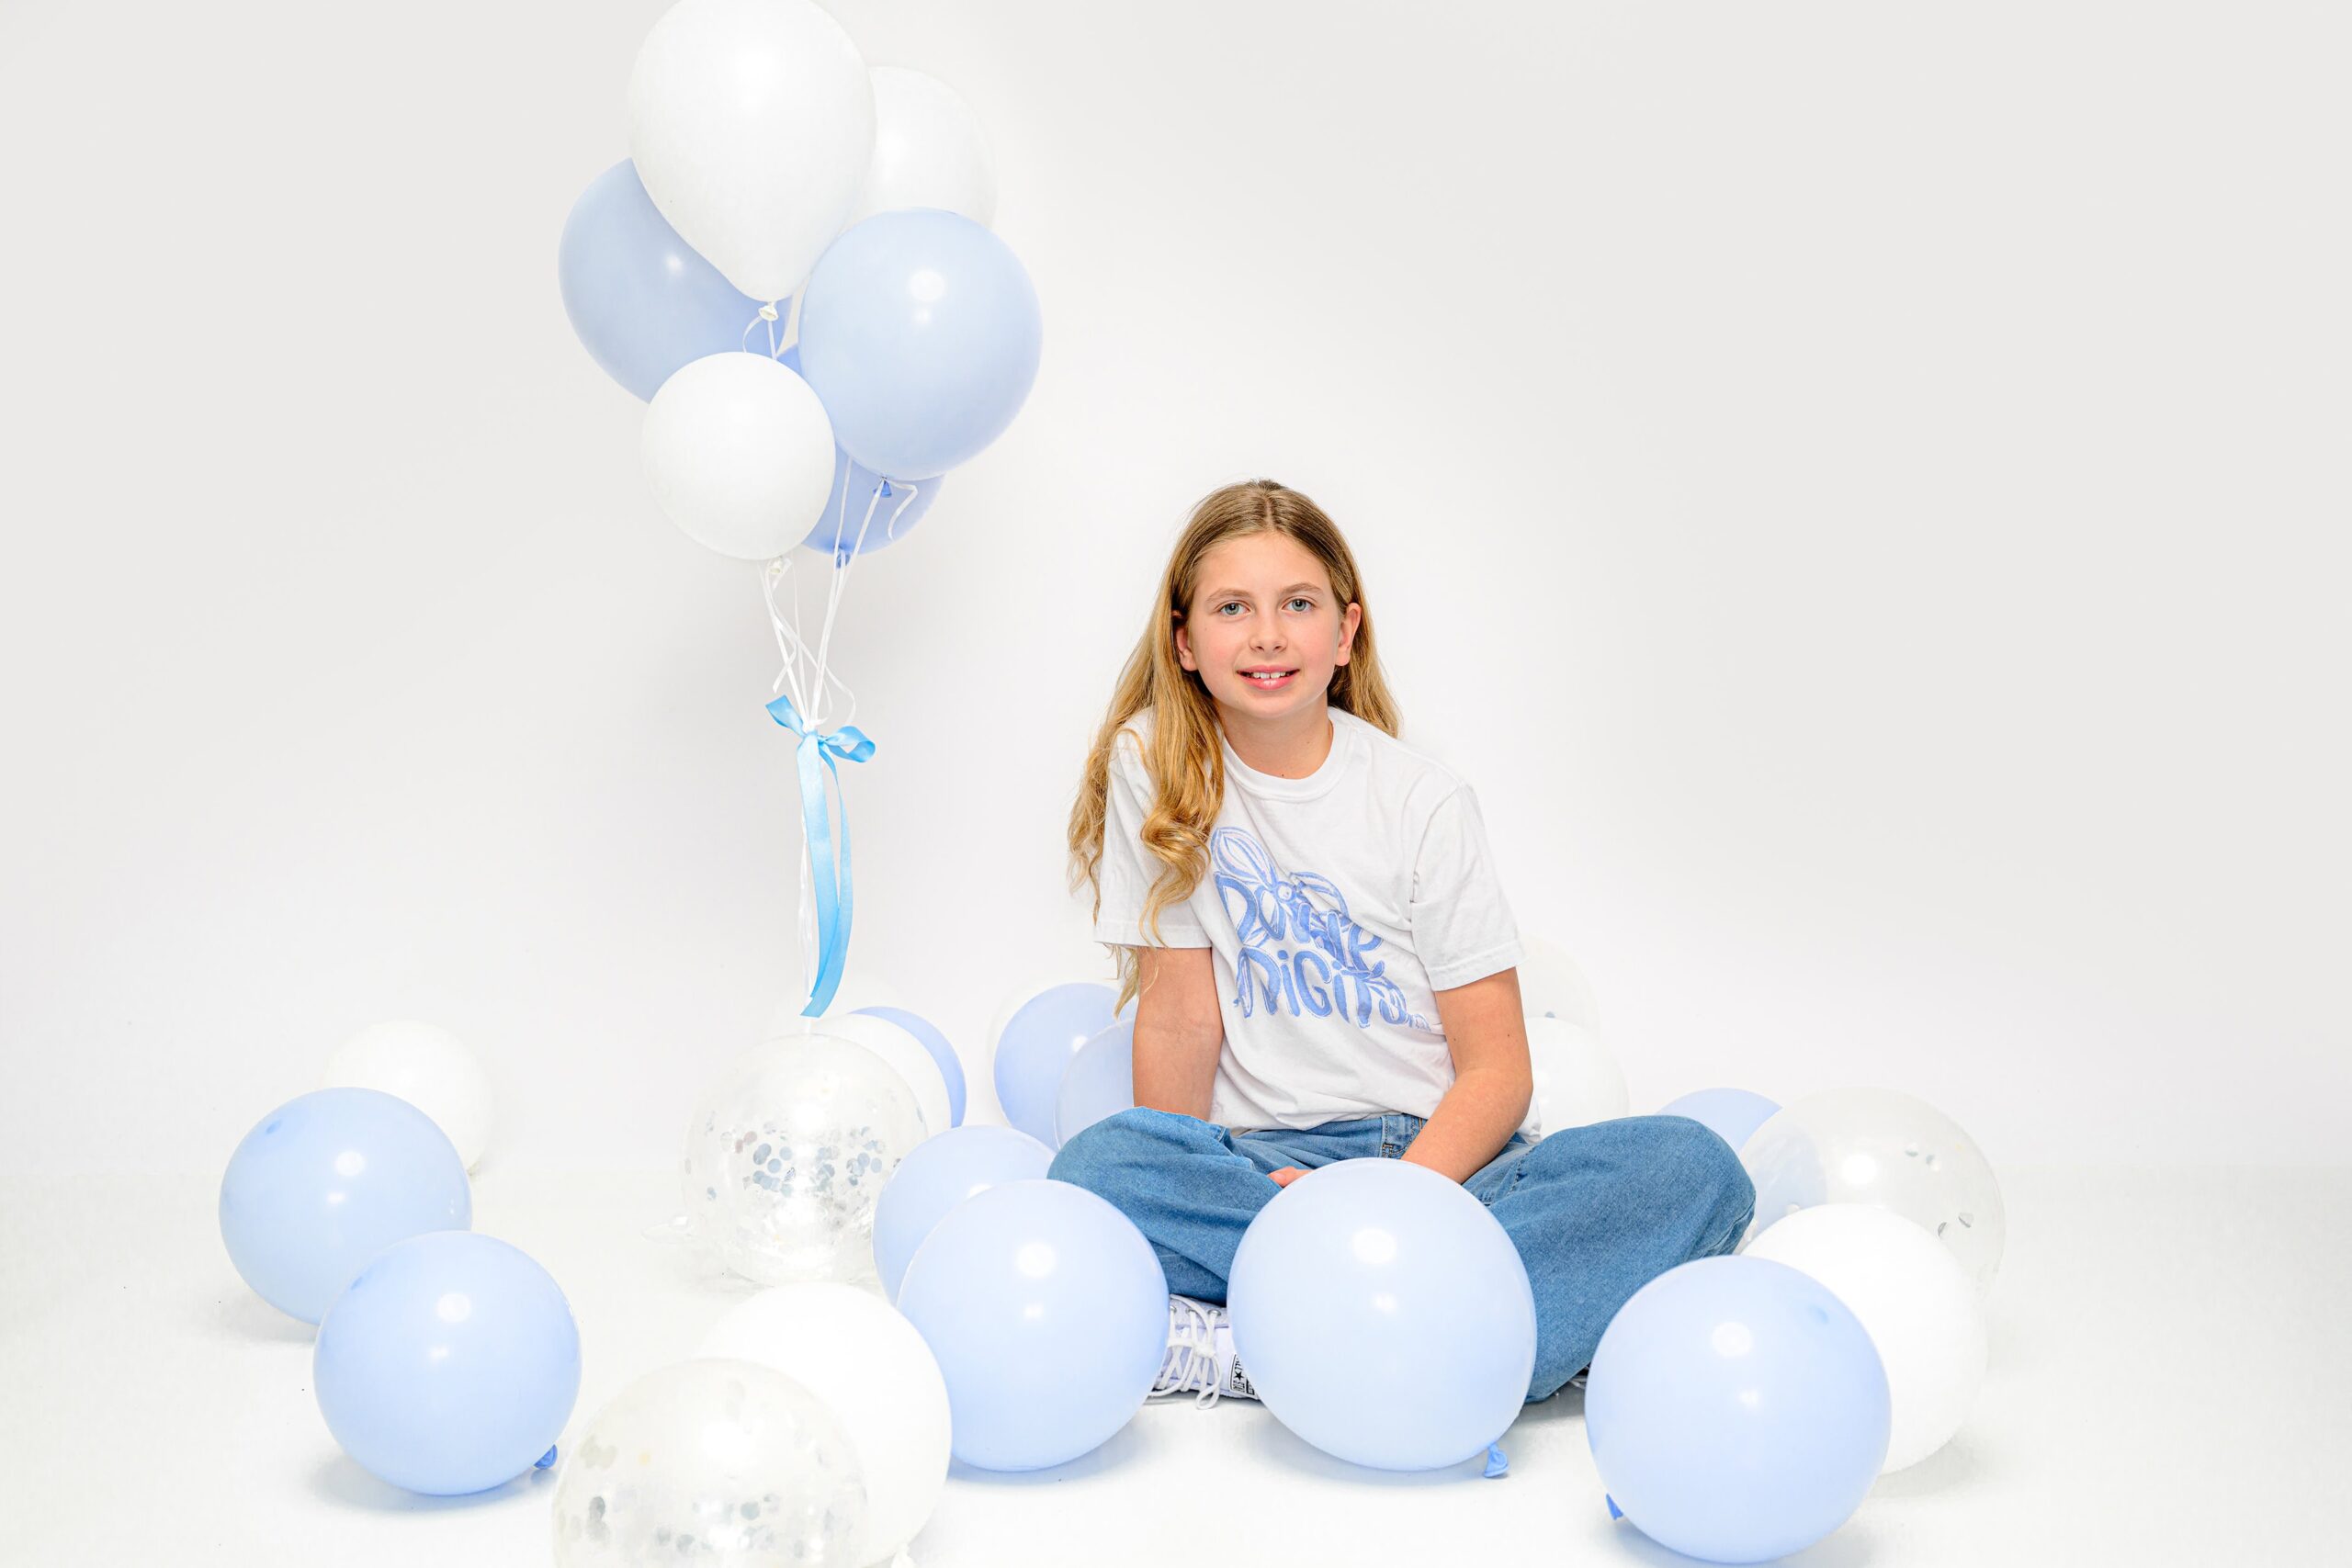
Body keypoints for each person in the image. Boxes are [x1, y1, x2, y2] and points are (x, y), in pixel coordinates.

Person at [1056, 477, 1755, 1410]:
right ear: (1184, 641)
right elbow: (1181, 1020)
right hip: (1266, 1171)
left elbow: (1497, 1069)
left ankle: (1284, 1340)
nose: (1266, 635)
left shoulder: (1421, 802)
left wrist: (1391, 1202)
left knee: (1692, 1169)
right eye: (1232, 608)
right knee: (1100, 1169)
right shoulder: (1155, 765)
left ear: (1345, 634)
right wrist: (1204, 1170)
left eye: (1297, 605)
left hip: (1444, 1168)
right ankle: (1457, 1336)